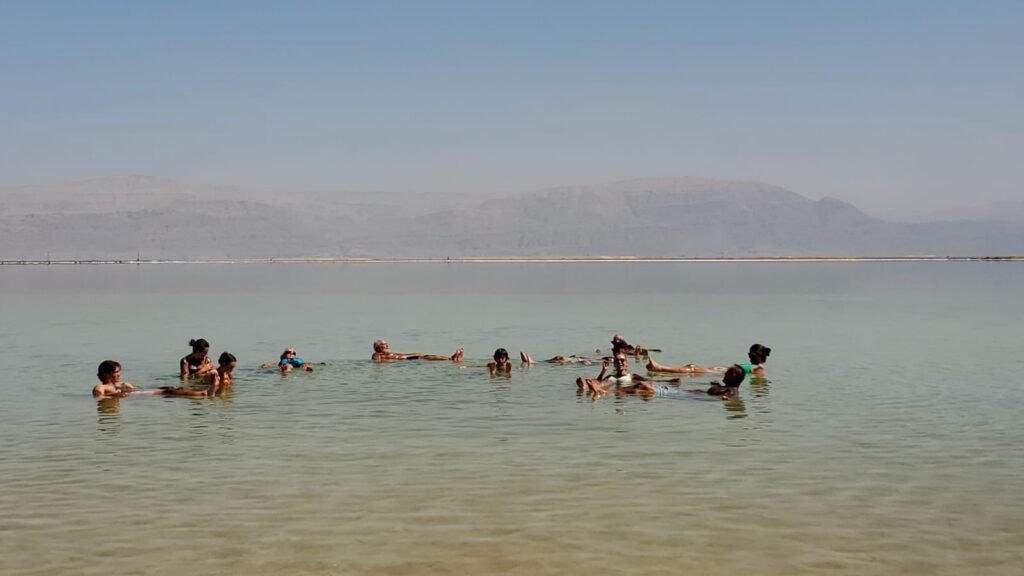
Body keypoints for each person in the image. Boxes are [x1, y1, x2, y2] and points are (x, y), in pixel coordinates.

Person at [93, 360, 212, 399]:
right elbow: (98, 395)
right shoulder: (102, 386)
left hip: (139, 392)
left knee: (171, 388)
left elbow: (136, 389)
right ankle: (203, 393)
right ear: (106, 374)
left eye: (119, 372)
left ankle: (203, 391)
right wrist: (116, 394)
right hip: (138, 395)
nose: (119, 375)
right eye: (116, 373)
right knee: (169, 392)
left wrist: (126, 387)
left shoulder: (120, 383)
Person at [646, 343, 771, 376]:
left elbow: (753, 378)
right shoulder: (753, 367)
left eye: (750, 353)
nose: (749, 355)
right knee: (691, 366)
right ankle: (660, 369)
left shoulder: (758, 369)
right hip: (718, 370)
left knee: (691, 369)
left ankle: (659, 368)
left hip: (718, 372)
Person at [371, 339, 464, 363]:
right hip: (407, 361)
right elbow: (376, 362)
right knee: (426, 357)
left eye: (387, 344)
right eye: (384, 344)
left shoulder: (389, 353)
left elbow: (402, 354)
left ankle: (451, 358)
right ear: (378, 347)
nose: (387, 345)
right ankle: (451, 358)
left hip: (409, 358)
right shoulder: (377, 354)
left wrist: (413, 353)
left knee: (426, 356)